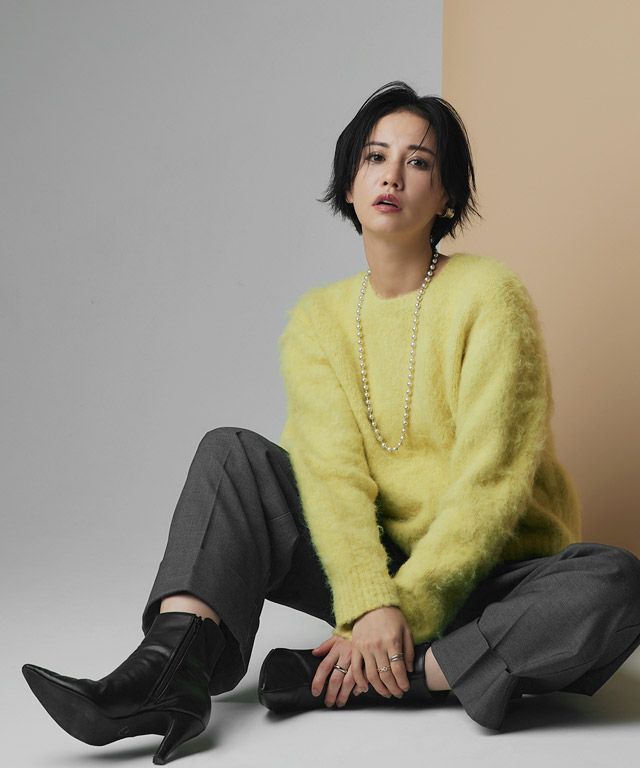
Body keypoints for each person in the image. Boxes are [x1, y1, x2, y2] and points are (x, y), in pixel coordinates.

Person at [22, 80, 640, 764]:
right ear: (350, 184)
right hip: (376, 566)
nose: (392, 176)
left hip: (496, 578)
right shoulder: (317, 320)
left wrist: (403, 612)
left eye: (419, 162)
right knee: (230, 453)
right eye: (375, 157)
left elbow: (488, 489)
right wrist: (370, 603)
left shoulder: (490, 296)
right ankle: (169, 672)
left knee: (615, 582)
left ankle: (384, 675)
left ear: (447, 197)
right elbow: (331, 482)